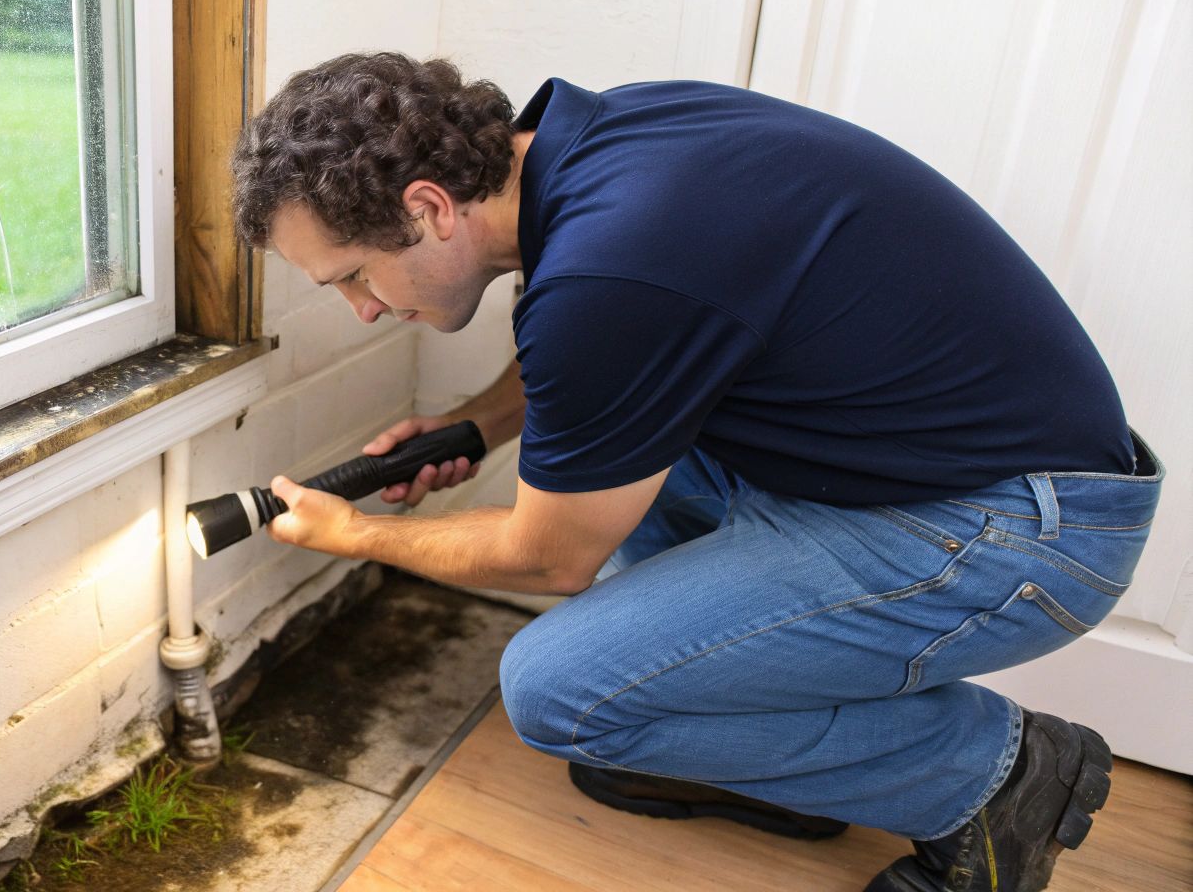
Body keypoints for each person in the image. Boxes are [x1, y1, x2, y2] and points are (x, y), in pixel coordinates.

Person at [229, 52, 1162, 892]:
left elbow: (547, 557)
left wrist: (356, 537)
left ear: (428, 207)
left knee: (557, 690)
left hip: (1021, 530)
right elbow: (609, 364)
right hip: (918, 472)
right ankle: (751, 750)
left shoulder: (612, 274)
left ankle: (996, 777)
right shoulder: (591, 148)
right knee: (604, 463)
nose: (360, 310)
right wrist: (475, 425)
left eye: (350, 276)